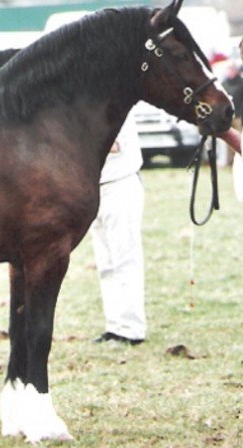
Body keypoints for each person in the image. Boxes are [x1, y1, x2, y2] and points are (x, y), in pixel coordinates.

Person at [91, 111, 146, 346]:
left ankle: (132, 328)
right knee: (106, 262)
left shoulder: (119, 106)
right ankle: (114, 324)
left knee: (124, 259)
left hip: (120, 184)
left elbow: (113, 145)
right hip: (96, 186)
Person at [222, 60, 243, 165]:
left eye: (232, 69)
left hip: (239, 116)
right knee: (228, 140)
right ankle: (230, 161)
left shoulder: (241, 83)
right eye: (229, 69)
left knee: (239, 139)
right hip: (228, 116)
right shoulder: (224, 84)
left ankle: (239, 160)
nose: (230, 72)